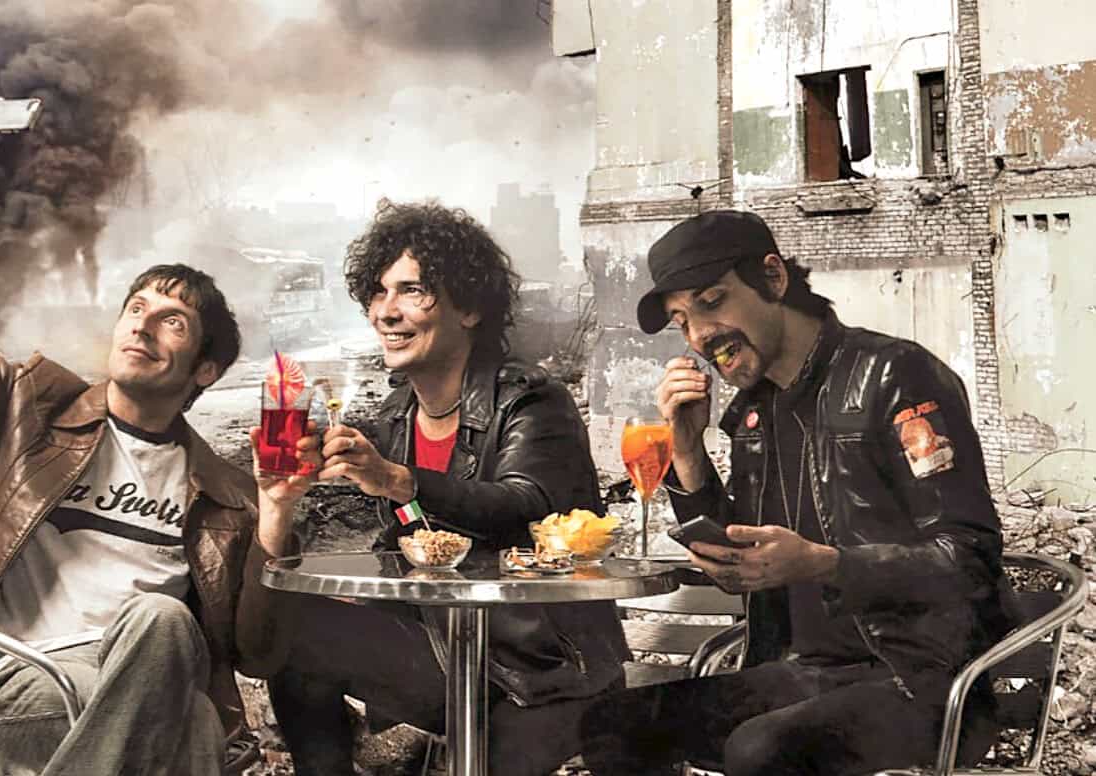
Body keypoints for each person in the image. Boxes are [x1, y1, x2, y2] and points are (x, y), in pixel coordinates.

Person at [0, 83, 317, 776]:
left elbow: (258, 654)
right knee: (180, 680)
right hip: (27, 688)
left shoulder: (228, 494)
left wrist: (278, 513)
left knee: (164, 645)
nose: (139, 323)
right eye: (134, 308)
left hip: (145, 701)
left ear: (204, 371)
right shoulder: (28, 410)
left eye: (169, 319)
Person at [574, 209, 1014, 776]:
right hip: (804, 671)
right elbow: (741, 553)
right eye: (682, 321)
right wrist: (687, 450)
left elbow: (970, 558)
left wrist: (825, 565)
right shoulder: (754, 413)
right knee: (615, 722)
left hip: (924, 679)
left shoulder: (896, 377)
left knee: (761, 749)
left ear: (774, 278)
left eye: (712, 302)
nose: (701, 336)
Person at [266, 200, 629, 776]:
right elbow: (411, 543)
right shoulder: (398, 414)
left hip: (544, 671)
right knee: (297, 639)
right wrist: (291, 491)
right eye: (378, 294)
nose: (387, 312)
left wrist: (398, 480)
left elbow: (528, 510)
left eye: (412, 291)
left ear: (470, 308)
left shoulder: (530, 401)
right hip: (449, 654)